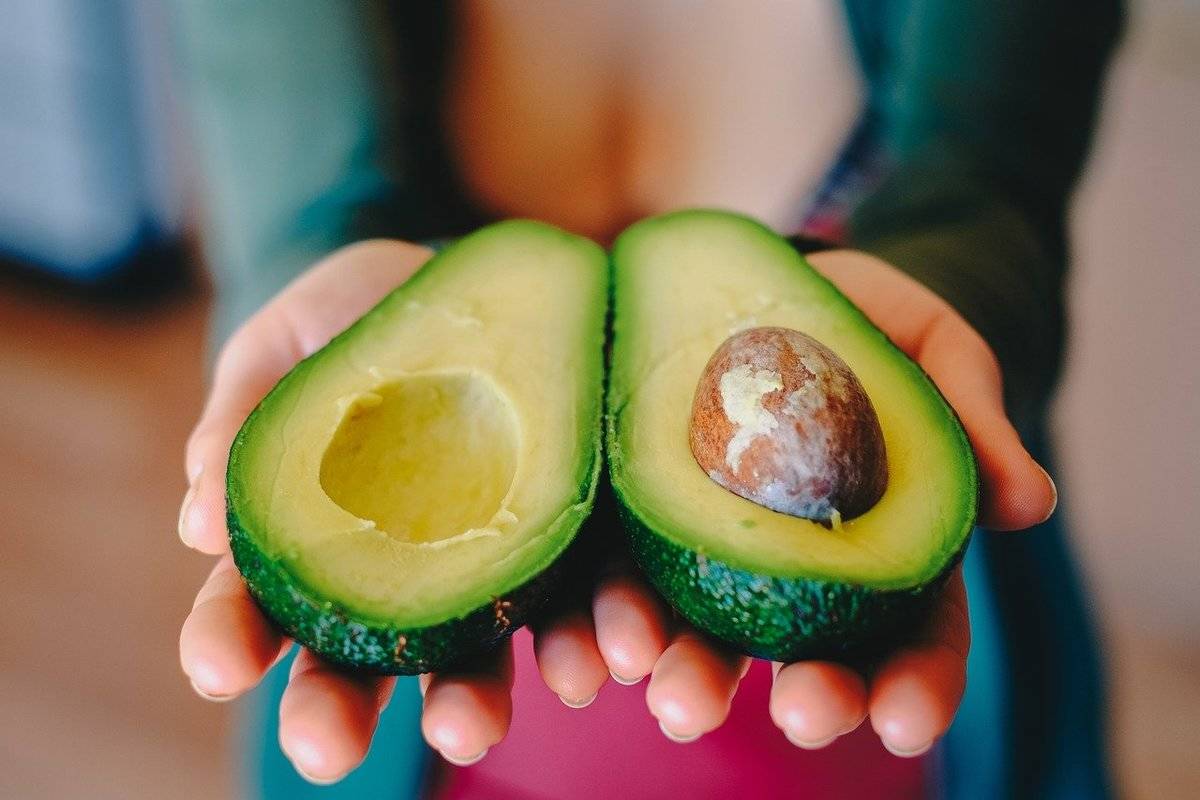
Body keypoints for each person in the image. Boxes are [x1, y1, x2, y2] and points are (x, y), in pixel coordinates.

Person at [170, 3, 1120, 798]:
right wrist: (304, 288)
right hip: (433, 727)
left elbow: (995, 191)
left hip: (877, 714)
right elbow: (289, 179)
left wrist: (964, 299)